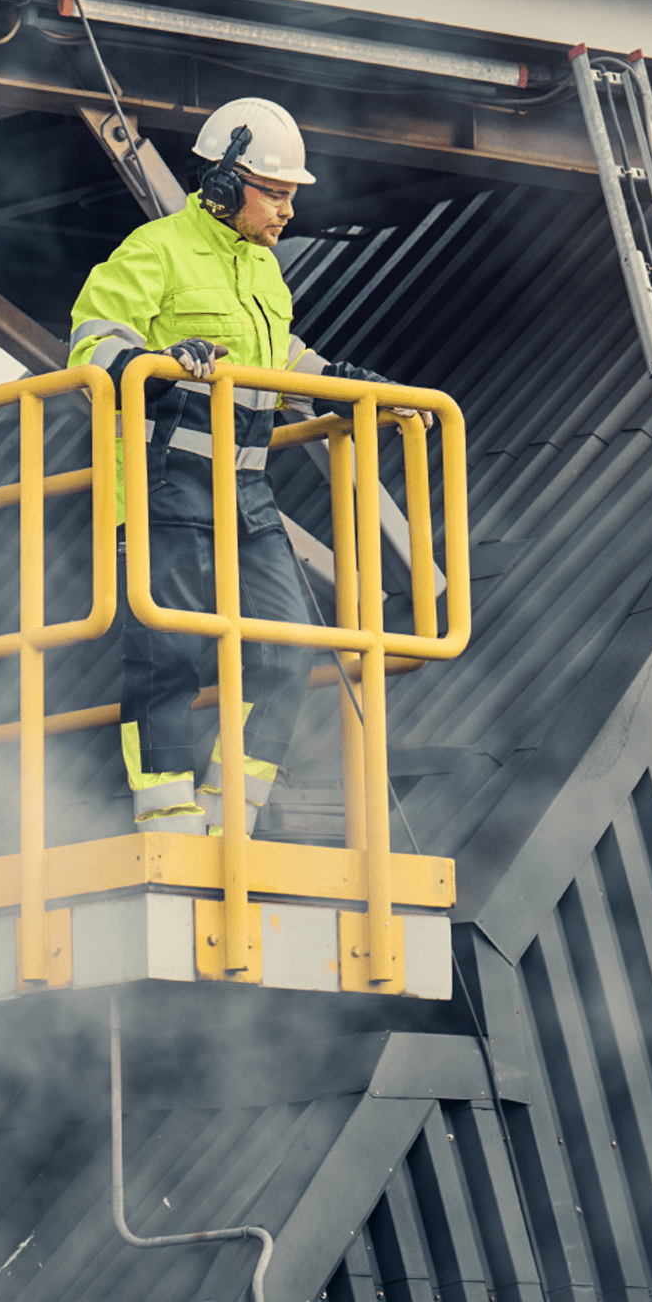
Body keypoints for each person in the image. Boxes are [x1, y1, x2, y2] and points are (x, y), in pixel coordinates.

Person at [68, 96, 416, 837]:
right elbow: (90, 344)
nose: (288, 211)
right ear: (224, 185)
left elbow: (279, 361)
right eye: (278, 194)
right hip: (162, 484)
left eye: (292, 197)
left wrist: (347, 381)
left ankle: (233, 820)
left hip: (244, 493)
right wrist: (157, 363)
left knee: (289, 651)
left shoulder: (263, 272)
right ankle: (164, 816)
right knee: (168, 652)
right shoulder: (154, 250)